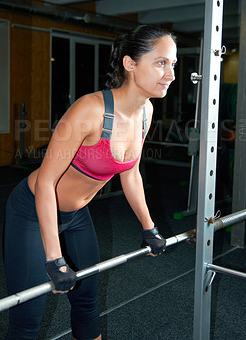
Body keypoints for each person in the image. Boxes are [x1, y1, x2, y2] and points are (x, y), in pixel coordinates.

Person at [4, 25, 177, 340]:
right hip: (32, 210)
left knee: (86, 300)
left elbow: (131, 172)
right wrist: (54, 258)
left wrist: (149, 227)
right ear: (130, 64)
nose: (170, 74)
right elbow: (45, 183)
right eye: (161, 63)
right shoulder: (90, 110)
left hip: (76, 215)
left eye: (173, 65)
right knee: (28, 316)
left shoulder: (145, 113)